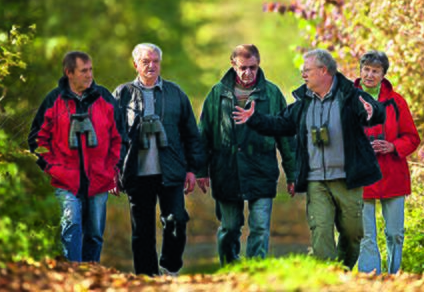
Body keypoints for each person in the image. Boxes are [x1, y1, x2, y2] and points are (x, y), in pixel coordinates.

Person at [233, 49, 385, 269]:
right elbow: (280, 124)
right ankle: (328, 277)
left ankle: (342, 270)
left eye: (307, 70)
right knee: (321, 230)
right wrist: (254, 119)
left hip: (347, 179)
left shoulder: (349, 95)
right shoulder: (303, 102)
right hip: (316, 180)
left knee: (353, 234)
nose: (303, 74)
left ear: (323, 71)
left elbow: (374, 110)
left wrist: (373, 112)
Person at [197, 44, 297, 266]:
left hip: (261, 168)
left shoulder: (271, 93)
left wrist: (292, 173)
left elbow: (286, 136)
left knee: (260, 226)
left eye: (253, 67)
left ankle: (256, 271)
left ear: (259, 64)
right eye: (243, 68)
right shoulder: (217, 93)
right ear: (233, 65)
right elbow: (204, 134)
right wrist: (200, 170)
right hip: (226, 169)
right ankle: (230, 270)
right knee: (230, 228)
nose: (248, 73)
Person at [113, 43, 205, 277]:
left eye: (155, 61)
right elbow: (111, 136)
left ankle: (170, 266)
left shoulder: (176, 93)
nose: (151, 66)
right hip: (136, 172)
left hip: (171, 171)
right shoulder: (122, 95)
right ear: (136, 64)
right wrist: (112, 171)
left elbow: (191, 134)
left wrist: (193, 169)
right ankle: (147, 278)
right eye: (146, 61)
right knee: (142, 231)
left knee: (177, 221)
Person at [27, 51, 124, 263]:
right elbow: (36, 140)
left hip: (99, 178)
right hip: (65, 180)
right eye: (83, 71)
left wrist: (111, 168)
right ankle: (73, 275)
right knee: (71, 226)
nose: (89, 75)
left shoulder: (105, 97)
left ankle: (92, 274)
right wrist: (53, 168)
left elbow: (119, 137)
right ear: (69, 72)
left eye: (91, 70)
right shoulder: (53, 100)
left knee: (95, 233)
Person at [355, 50, 421, 275]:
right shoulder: (347, 100)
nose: (370, 75)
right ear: (360, 70)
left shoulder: (396, 101)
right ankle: (369, 280)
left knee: (395, 233)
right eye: (366, 70)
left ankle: (394, 278)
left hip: (392, 175)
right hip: (361, 177)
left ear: (383, 75)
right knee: (366, 236)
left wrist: (393, 146)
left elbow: (412, 137)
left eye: (375, 71)